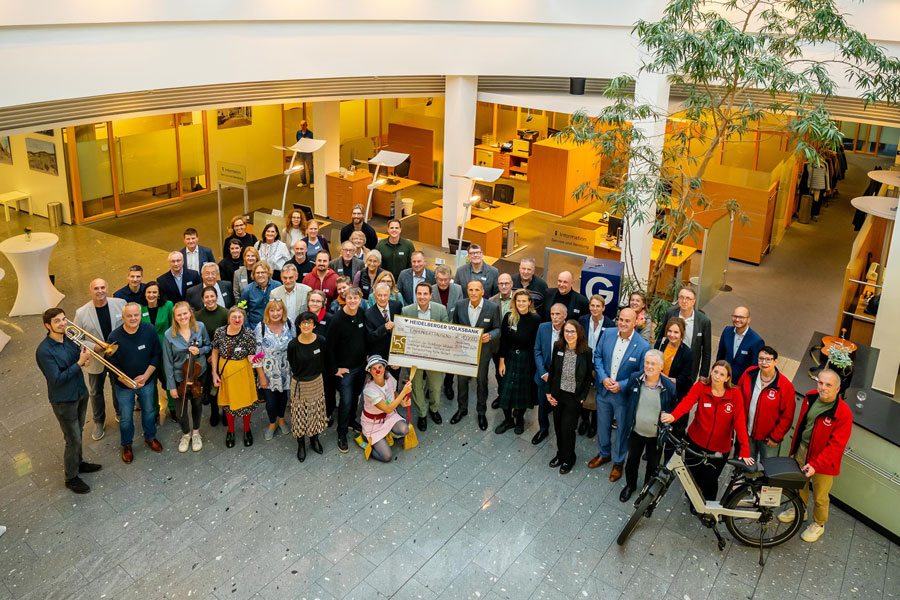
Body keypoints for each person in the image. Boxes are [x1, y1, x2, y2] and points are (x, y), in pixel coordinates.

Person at [661, 361, 753, 503]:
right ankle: (693, 499)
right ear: (711, 371)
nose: (717, 376)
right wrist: (673, 416)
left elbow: (739, 423)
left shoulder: (735, 395)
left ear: (727, 378)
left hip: (719, 449)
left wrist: (745, 450)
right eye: (715, 372)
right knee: (692, 476)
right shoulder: (701, 387)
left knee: (710, 480)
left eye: (722, 374)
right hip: (695, 442)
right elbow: (686, 403)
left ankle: (707, 505)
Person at [778, 368, 852, 543]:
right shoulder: (810, 397)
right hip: (802, 450)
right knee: (799, 485)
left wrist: (815, 464)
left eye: (828, 385)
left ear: (838, 389)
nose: (823, 388)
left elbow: (836, 446)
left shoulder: (843, 413)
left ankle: (819, 524)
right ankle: (800, 510)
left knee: (820, 496)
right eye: (820, 383)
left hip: (824, 461)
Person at [35, 308, 101, 494]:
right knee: (72, 439)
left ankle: (78, 463)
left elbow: (77, 361)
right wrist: (79, 363)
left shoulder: (69, 339)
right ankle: (71, 478)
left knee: (78, 432)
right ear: (48, 326)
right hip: (64, 400)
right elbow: (56, 379)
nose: (63, 323)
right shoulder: (44, 351)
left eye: (64, 319)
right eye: (57, 321)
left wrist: (84, 360)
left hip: (80, 392)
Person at [589, 308, 651, 482]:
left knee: (623, 429)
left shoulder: (643, 346)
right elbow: (598, 356)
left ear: (635, 323)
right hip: (604, 390)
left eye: (627, 321)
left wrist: (622, 385)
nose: (623, 323)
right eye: (621, 319)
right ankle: (604, 454)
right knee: (602, 425)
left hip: (624, 396)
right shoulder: (608, 333)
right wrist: (603, 378)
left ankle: (618, 461)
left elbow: (642, 372)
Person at [107, 303, 164, 464]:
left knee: (149, 411)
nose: (133, 318)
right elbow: (111, 365)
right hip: (124, 386)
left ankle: (150, 437)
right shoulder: (114, 337)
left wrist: (146, 376)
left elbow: (156, 354)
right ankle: (126, 444)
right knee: (125, 417)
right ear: (123, 317)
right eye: (129, 316)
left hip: (146, 382)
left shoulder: (149, 330)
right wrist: (125, 379)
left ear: (140, 315)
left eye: (136, 315)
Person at [619, 350, 677, 502]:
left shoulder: (669, 387)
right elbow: (627, 397)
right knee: (632, 461)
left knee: (653, 465)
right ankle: (630, 486)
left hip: (655, 436)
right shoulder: (635, 378)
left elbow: (672, 409)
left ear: (661, 367)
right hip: (636, 431)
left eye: (653, 364)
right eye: (647, 362)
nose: (649, 366)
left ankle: (646, 489)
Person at [74, 278, 126, 440]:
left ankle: (120, 413)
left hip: (117, 356)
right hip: (96, 358)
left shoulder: (120, 303)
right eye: (96, 288)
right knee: (96, 391)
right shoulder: (81, 313)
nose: (100, 291)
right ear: (90, 291)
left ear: (107, 288)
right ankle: (99, 421)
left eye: (103, 287)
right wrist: (94, 347)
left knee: (118, 386)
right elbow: (77, 338)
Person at [162, 301, 211, 453]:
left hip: (198, 375)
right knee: (180, 411)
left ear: (190, 313)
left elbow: (209, 346)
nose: (183, 317)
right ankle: (186, 434)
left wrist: (200, 350)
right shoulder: (169, 335)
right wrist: (171, 386)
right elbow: (167, 362)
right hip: (179, 378)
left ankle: (196, 433)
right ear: (174, 317)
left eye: (185, 313)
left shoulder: (200, 327)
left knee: (197, 405)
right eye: (179, 315)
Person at [546, 320, 594, 475]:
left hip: (574, 397)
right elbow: (552, 370)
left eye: (572, 331)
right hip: (558, 394)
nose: (569, 334)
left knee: (568, 429)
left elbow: (588, 377)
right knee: (558, 427)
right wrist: (549, 392)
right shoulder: (558, 347)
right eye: (566, 331)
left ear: (578, 333)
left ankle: (569, 458)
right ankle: (560, 454)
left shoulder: (586, 351)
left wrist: (582, 396)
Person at [452, 280, 501, 431]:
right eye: (470, 290)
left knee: (482, 382)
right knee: (461, 382)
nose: (473, 293)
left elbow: (498, 328)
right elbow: (454, 326)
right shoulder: (460, 305)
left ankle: (481, 412)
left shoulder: (492, 308)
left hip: (483, 352)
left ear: (482, 292)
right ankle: (462, 409)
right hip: (464, 352)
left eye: (476, 290)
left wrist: (490, 335)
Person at [400, 282, 449, 431]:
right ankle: (422, 414)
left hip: (434, 357)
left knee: (435, 386)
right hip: (415, 356)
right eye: (419, 294)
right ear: (416, 295)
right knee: (416, 386)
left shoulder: (440, 310)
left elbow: (448, 334)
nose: (422, 297)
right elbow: (402, 333)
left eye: (425, 294)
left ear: (430, 295)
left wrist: (438, 330)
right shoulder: (406, 310)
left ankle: (434, 410)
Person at [325, 286, 369, 453]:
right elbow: (329, 347)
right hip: (345, 371)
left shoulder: (362, 314)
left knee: (356, 396)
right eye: (349, 298)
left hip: (360, 366)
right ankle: (341, 433)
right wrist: (335, 369)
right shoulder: (337, 319)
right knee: (346, 401)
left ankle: (351, 421)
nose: (352, 301)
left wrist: (367, 354)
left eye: (355, 299)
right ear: (344, 299)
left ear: (360, 299)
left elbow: (364, 337)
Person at [736, 346, 796, 461]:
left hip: (769, 439)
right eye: (761, 359)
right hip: (747, 433)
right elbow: (738, 395)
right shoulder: (749, 373)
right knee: (747, 463)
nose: (764, 362)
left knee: (768, 467)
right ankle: (749, 479)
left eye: (768, 359)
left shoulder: (785, 386)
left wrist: (776, 437)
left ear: (776, 361)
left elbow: (787, 416)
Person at [211, 307, 260, 448]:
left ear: (244, 318)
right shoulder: (219, 332)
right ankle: (230, 430)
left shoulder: (249, 334)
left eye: (240, 317)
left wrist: (253, 359)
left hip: (244, 372)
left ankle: (246, 429)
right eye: (234, 317)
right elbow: (215, 352)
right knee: (229, 402)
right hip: (226, 372)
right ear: (228, 319)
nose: (237, 320)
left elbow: (250, 354)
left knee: (246, 403)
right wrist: (214, 373)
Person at [495, 289, 541, 435]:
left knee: (522, 392)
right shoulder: (509, 317)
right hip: (509, 358)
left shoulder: (536, 320)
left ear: (529, 302)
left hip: (526, 359)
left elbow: (537, 344)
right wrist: (501, 363)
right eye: (518, 301)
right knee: (505, 391)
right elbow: (503, 342)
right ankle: (508, 420)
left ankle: (519, 418)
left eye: (524, 301)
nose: (521, 303)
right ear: (514, 302)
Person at [287, 311, 328, 462]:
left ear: (314, 325)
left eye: (309, 322)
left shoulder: (321, 341)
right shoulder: (293, 345)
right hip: (299, 383)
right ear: (299, 325)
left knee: (315, 412)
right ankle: (301, 444)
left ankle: (314, 440)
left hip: (316, 382)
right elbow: (292, 364)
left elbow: (324, 359)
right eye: (303, 322)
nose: (306, 325)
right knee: (299, 415)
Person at [254, 300, 296, 441]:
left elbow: (295, 345)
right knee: (271, 402)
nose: (276, 313)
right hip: (268, 373)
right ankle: (272, 423)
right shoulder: (261, 328)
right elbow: (257, 354)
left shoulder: (289, 324)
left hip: (285, 371)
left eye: (279, 310)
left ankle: (282, 419)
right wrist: (261, 376)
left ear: (283, 311)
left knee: (283, 398)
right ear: (267, 312)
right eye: (272, 310)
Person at [361, 355, 413, 463]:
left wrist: (403, 401)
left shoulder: (389, 378)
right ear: (370, 372)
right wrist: (404, 392)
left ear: (384, 368)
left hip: (388, 417)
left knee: (405, 429)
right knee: (387, 456)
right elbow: (388, 408)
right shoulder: (369, 390)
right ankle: (368, 441)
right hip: (373, 424)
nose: (378, 371)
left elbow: (393, 393)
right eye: (374, 369)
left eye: (380, 367)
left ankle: (388, 433)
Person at [577, 294, 614, 437]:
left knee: (598, 395)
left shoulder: (610, 325)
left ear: (603, 308)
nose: (595, 308)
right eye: (592, 305)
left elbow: (609, 350)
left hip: (600, 367)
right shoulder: (583, 320)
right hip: (584, 364)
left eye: (598, 306)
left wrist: (597, 369)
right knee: (583, 392)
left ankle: (594, 424)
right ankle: (584, 420)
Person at [194, 285, 229, 427]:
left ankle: (226, 412)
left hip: (224, 355)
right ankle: (214, 412)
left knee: (224, 385)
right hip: (204, 356)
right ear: (203, 299)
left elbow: (229, 336)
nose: (210, 299)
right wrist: (207, 354)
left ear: (217, 297)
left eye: (212, 296)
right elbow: (196, 337)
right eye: (206, 297)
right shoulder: (198, 316)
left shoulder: (225, 313)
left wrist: (218, 354)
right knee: (210, 387)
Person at [533, 303, 567, 444]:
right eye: (552, 314)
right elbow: (537, 351)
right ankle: (543, 428)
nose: (554, 317)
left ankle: (562, 432)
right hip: (544, 375)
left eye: (558, 314)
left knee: (560, 406)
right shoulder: (543, 327)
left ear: (565, 315)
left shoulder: (570, 330)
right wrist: (543, 373)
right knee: (542, 404)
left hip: (563, 377)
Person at [140, 280, 175, 418]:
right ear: (145, 294)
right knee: (150, 382)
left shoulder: (168, 306)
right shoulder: (139, 307)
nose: (151, 295)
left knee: (169, 380)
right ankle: (154, 410)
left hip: (165, 350)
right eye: (149, 292)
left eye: (154, 292)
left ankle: (172, 407)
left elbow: (173, 328)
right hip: (147, 352)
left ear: (159, 294)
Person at [662, 287, 711, 380]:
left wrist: (703, 374)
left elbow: (706, 350)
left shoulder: (703, 321)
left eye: (688, 298)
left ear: (694, 301)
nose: (684, 301)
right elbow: (661, 337)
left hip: (690, 366)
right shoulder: (670, 313)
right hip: (668, 362)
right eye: (681, 297)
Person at [433, 264, 463, 401]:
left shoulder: (457, 290)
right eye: (440, 279)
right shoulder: (430, 290)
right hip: (434, 333)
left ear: (450, 278)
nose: (443, 283)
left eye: (446, 279)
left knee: (451, 362)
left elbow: (460, 310)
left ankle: (448, 384)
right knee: (435, 361)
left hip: (453, 331)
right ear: (436, 278)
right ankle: (434, 385)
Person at [365, 282, 403, 378]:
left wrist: (399, 358)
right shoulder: (368, 314)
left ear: (389, 295)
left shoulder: (397, 306)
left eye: (385, 295)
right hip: (379, 356)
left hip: (395, 353)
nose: (382, 298)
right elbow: (369, 337)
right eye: (379, 295)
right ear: (374, 296)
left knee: (395, 385)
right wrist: (384, 328)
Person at [717, 305, 765, 381]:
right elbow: (720, 355)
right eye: (735, 316)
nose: (737, 319)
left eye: (741, 317)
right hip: (722, 379)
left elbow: (755, 367)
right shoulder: (726, 331)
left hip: (740, 383)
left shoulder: (756, 341)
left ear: (749, 320)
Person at [488, 272, 515, 408]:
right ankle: (501, 395)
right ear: (497, 285)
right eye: (501, 283)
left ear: (512, 284)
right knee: (500, 374)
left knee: (513, 373)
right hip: (497, 345)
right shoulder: (491, 301)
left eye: (506, 283)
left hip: (513, 345)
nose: (504, 286)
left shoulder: (518, 299)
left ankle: (512, 398)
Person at [241, 262, 282, 329]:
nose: (260, 275)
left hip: (275, 327)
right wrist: (248, 329)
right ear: (253, 274)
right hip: (255, 327)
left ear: (268, 274)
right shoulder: (247, 290)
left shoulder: (277, 286)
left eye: (263, 272)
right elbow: (242, 311)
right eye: (257, 273)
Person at [295, 119, 314, 186]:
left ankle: (312, 182)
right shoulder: (298, 133)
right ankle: (303, 182)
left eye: (303, 125)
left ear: (306, 125)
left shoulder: (311, 134)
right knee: (301, 168)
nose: (302, 126)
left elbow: (312, 143)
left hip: (308, 153)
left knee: (310, 168)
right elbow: (298, 141)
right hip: (300, 153)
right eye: (301, 125)